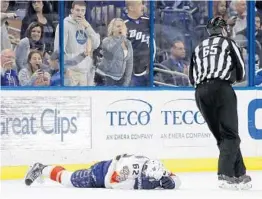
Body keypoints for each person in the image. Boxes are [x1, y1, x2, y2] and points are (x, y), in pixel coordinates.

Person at [189, 17, 251, 190]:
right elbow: (241, 73)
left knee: (222, 136)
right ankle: (224, 174)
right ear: (223, 30)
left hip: (200, 92)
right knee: (230, 135)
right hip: (222, 89)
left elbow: (191, 78)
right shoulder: (229, 43)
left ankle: (239, 173)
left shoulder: (198, 47)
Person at [25, 154, 181, 190]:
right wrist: (141, 184)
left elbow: (176, 178)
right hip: (101, 173)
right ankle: (41, 168)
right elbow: (113, 183)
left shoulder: (156, 167)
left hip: (108, 170)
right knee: (68, 180)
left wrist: (173, 182)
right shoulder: (130, 167)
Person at [97, 18, 133, 86]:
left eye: (122, 26)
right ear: (112, 28)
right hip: (106, 76)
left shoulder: (128, 43)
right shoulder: (107, 41)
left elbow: (129, 63)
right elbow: (112, 52)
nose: (121, 28)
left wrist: (127, 81)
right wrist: (121, 39)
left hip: (120, 78)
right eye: (118, 26)